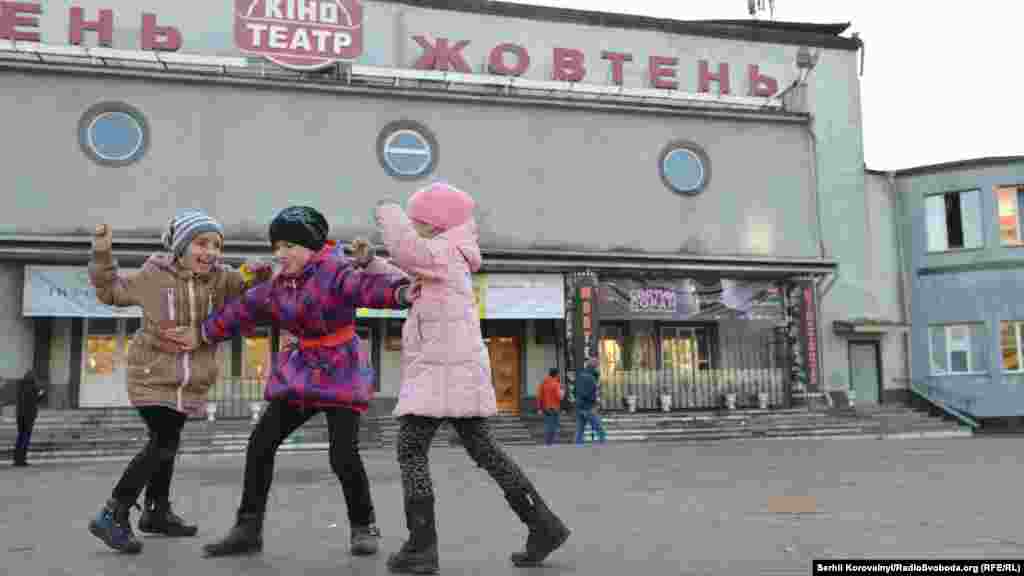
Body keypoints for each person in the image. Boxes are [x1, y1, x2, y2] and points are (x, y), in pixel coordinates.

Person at [171, 206, 414, 559]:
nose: (280, 254)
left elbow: (369, 289)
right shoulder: (278, 284)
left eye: (289, 246)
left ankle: (364, 526)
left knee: (343, 455)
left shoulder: (337, 273)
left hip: (341, 370)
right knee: (261, 443)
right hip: (301, 370)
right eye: (277, 247)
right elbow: (241, 310)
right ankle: (247, 529)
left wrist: (401, 294)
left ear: (311, 247)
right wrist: (202, 333)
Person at [376, 182, 570, 574]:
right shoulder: (448, 254)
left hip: (442, 370)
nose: (413, 228)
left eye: (417, 221)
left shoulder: (443, 251)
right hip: (451, 369)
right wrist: (371, 264)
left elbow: (409, 253)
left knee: (411, 449)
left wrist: (389, 213)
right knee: (486, 451)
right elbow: (409, 265)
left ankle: (421, 545)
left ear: (436, 224)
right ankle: (542, 524)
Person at [86, 210, 272, 554]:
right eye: (202, 243)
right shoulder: (153, 275)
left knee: (166, 442)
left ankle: (156, 511)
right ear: (181, 247)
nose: (210, 252)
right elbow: (110, 291)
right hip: (152, 376)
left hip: (189, 382)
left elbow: (250, 294)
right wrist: (102, 253)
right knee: (163, 442)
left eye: (216, 245)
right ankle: (114, 512)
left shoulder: (222, 279)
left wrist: (259, 272)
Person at [12, 369, 45, 467]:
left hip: (20, 415)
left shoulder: (20, 386)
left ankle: (17, 459)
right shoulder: (34, 387)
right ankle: (22, 459)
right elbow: (37, 400)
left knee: (20, 436)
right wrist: (41, 394)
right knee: (26, 437)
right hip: (29, 416)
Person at [574, 359, 607, 445]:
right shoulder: (591, 379)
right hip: (588, 407)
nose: (598, 369)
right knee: (599, 429)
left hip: (579, 406)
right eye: (597, 367)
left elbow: (574, 391)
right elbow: (591, 393)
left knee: (579, 430)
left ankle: (577, 446)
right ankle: (604, 446)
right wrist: (595, 401)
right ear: (594, 367)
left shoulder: (580, 376)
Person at [537, 369, 563, 446]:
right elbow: (560, 396)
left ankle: (547, 442)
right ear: (556, 375)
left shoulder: (543, 383)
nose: (559, 376)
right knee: (553, 425)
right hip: (554, 408)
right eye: (558, 374)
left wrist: (539, 408)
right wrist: (562, 392)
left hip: (545, 407)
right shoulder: (556, 384)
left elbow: (539, 396)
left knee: (548, 424)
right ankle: (550, 442)